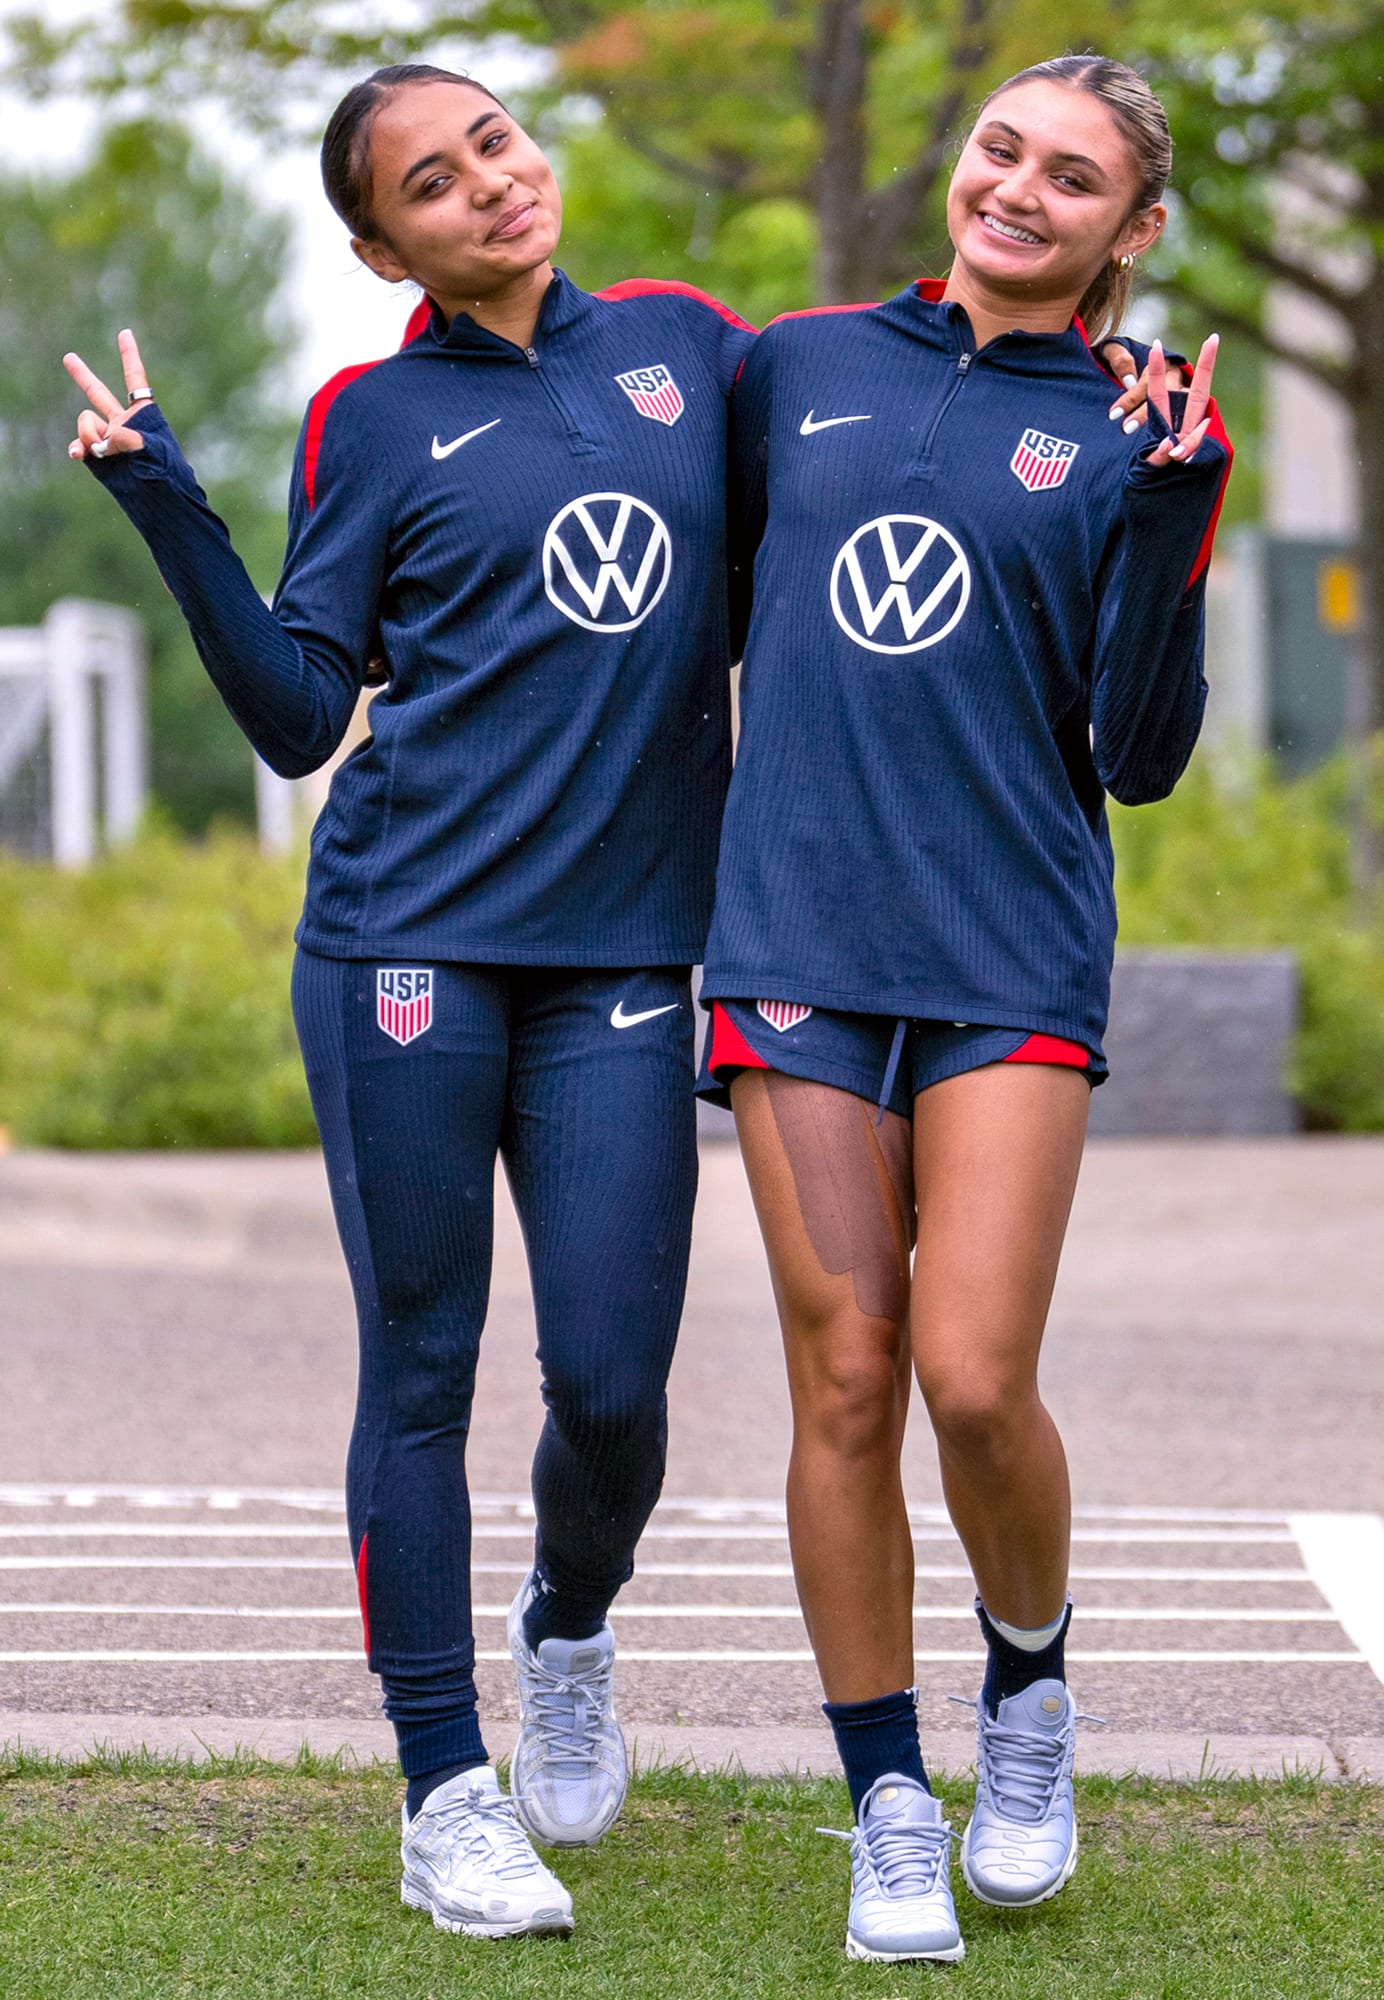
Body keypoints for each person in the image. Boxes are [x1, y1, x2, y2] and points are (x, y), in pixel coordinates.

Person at [62, 63, 755, 1941]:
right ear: (387, 248)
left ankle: (571, 1625)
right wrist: (164, 504)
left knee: (612, 1389)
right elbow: (302, 713)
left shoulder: (697, 355)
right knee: (425, 1375)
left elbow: (861, 465)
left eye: (496, 146)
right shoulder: (368, 419)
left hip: (621, 954)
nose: (487, 188)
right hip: (405, 942)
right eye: (432, 186)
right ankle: (444, 1788)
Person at [698, 53, 1231, 1965]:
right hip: (793, 950)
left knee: (970, 1376)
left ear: (1131, 230)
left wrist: (1170, 517)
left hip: (1006, 949)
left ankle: (1028, 1695)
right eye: (999, 148)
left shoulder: (1138, 429)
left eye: (1070, 176)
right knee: (842, 1376)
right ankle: (885, 1803)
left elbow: (1142, 752)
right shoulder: (796, 364)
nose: (1015, 188)